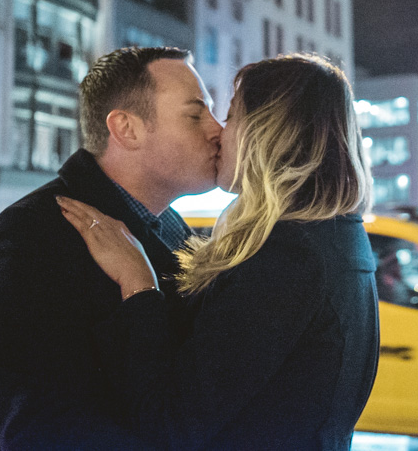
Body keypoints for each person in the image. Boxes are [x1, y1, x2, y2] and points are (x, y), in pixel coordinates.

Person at [58, 54, 380, 451]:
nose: (218, 131)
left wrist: (139, 284)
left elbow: (171, 424)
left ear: (269, 132)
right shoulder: (336, 237)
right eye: (200, 116)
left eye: (230, 115)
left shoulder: (288, 259)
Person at [0, 47, 222, 450]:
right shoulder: (31, 238)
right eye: (195, 115)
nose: (217, 129)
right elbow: (42, 427)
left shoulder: (176, 231)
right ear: (127, 128)